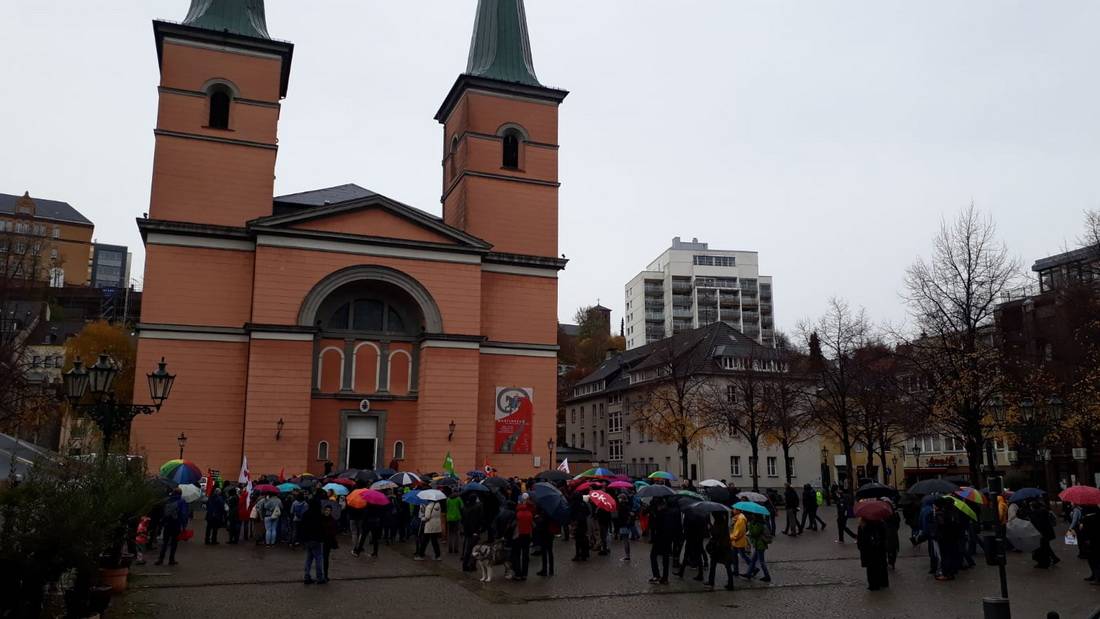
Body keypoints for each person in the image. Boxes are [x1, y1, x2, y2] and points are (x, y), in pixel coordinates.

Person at [155, 488, 189, 566]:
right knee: (174, 543)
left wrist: (162, 523)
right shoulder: (181, 502)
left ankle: (160, 559)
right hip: (176, 524)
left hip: (167, 524)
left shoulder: (167, 500)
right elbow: (183, 515)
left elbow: (163, 512)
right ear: (180, 494)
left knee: (165, 542)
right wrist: (183, 526)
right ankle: (171, 559)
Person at [649, 499, 679, 584]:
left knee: (653, 556)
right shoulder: (671, 513)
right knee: (665, 558)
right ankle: (665, 578)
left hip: (659, 538)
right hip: (668, 539)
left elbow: (655, 527)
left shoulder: (659, 514)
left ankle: (656, 575)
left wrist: (654, 516)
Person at [301, 491, 327, 584]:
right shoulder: (319, 515)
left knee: (309, 558)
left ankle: (306, 576)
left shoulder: (305, 514)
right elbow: (322, 528)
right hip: (316, 539)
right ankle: (320, 577)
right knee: (319, 558)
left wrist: (302, 539)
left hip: (307, 539)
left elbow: (302, 527)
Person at [857, 515, 889, 591]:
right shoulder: (881, 523)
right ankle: (883, 582)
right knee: (880, 566)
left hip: (868, 551)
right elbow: (884, 536)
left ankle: (873, 585)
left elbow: (860, 540)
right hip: (879, 549)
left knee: (871, 568)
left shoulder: (862, 526)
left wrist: (861, 548)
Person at [704, 513, 735, 590]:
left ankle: (711, 582)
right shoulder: (724, 523)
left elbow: (715, 534)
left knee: (713, 565)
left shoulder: (717, 524)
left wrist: (710, 527)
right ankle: (730, 583)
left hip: (719, 549)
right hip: (725, 548)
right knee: (727, 566)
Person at [677, 509, 707, 581]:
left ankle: (683, 572)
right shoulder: (702, 515)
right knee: (696, 556)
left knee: (688, 555)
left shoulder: (690, 515)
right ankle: (682, 572)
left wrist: (685, 536)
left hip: (691, 539)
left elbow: (687, 528)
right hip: (698, 539)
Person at [1030, 500, 1060, 569]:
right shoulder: (1044, 511)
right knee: (1046, 546)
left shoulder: (1036, 514)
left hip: (1041, 534)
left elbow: (1038, 525)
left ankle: (1044, 563)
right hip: (1047, 533)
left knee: (1043, 548)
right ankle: (1054, 559)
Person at [744, 513, 773, 583]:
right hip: (758, 545)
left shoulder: (759, 524)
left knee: (762, 562)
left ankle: (767, 576)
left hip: (760, 545)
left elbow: (754, 533)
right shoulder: (758, 523)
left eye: (753, 515)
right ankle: (748, 573)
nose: (752, 516)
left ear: (756, 516)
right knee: (753, 560)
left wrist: (750, 525)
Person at [511, 498, 533, 580]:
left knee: (516, 555)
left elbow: (512, 525)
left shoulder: (517, 514)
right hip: (527, 536)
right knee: (525, 555)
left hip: (518, 536)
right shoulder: (529, 514)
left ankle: (518, 574)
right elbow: (532, 525)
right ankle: (524, 574)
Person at [461, 495, 484, 572]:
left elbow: (463, 520)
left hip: (467, 530)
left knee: (468, 548)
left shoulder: (464, 507)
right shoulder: (476, 508)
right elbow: (479, 519)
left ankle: (466, 565)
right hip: (474, 531)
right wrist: (478, 530)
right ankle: (471, 565)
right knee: (473, 549)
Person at [1079, 506, 1100, 584]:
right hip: (1096, 541)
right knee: (1095, 559)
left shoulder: (1087, 519)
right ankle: (1095, 575)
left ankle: (1096, 577)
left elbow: (1084, 531)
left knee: (1093, 560)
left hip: (1091, 541)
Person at [534, 506, 556, 577]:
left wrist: (537, 518)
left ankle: (544, 570)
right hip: (550, 534)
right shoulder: (552, 512)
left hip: (544, 534)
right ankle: (551, 570)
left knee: (544, 552)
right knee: (550, 552)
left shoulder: (544, 514)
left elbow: (541, 523)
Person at [730, 507, 751, 577]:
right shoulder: (737, 518)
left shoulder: (741, 519)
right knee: (734, 556)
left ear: (738, 510)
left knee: (743, 556)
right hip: (735, 542)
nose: (733, 510)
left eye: (734, 509)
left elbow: (739, 532)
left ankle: (753, 568)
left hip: (739, 541)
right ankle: (736, 571)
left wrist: (731, 537)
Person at [321, 504, 339, 581]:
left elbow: (334, 531)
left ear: (331, 511)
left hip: (327, 541)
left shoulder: (333, 520)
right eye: (326, 510)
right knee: (320, 558)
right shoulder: (320, 519)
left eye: (329, 510)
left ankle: (325, 574)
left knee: (325, 558)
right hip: (321, 540)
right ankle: (320, 574)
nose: (327, 512)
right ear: (324, 510)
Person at [616, 491, 636, 561]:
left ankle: (627, 556)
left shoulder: (622, 506)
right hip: (627, 524)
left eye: (619, 498)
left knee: (625, 540)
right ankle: (627, 555)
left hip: (623, 525)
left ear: (622, 498)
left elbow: (621, 516)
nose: (619, 499)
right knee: (626, 540)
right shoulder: (627, 505)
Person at [446, 488, 464, 554]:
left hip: (449, 518)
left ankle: (450, 549)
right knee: (456, 534)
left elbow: (446, 507)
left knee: (450, 534)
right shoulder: (458, 499)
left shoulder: (448, 499)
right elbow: (462, 507)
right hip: (457, 517)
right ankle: (456, 549)